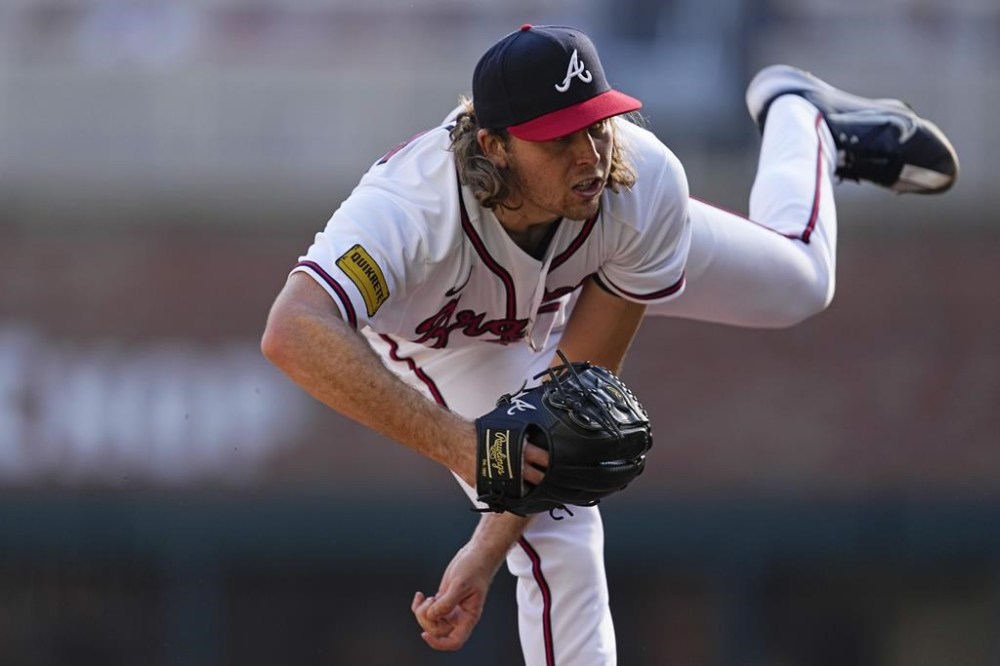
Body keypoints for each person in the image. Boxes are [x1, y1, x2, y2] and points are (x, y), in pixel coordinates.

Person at [261, 24, 958, 666]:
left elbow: (576, 392)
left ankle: (799, 115)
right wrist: (461, 447)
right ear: (493, 145)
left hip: (589, 266)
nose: (590, 154)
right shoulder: (409, 211)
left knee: (802, 282)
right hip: (455, 340)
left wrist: (489, 530)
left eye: (598, 124)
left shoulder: (637, 180)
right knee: (563, 530)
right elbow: (293, 330)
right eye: (559, 137)